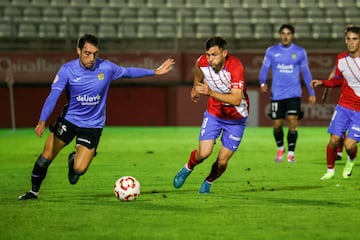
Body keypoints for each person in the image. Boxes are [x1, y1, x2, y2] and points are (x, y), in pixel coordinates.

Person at [18, 34, 175, 200]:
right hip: (69, 120)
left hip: (93, 125)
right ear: (78, 51)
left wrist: (154, 72)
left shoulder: (106, 68)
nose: (91, 58)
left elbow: (128, 72)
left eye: (95, 53)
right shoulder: (67, 70)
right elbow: (53, 96)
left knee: (79, 170)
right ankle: (33, 192)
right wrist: (42, 120)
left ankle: (74, 160)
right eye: (87, 53)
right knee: (46, 156)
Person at [173, 36, 249, 194]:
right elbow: (197, 66)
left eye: (214, 55)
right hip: (214, 113)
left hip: (236, 118)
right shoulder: (203, 62)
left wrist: (210, 92)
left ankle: (208, 181)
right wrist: (195, 86)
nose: (210, 59)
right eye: (208, 54)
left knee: (222, 162)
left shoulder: (235, 67)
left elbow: (236, 99)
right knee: (204, 153)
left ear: (224, 53)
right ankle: (188, 167)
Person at [259, 24, 316, 163]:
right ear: (280, 35)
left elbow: (306, 72)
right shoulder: (272, 51)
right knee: (277, 124)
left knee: (292, 121)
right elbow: (264, 68)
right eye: (283, 33)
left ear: (292, 35)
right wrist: (262, 82)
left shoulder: (300, 52)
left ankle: (291, 153)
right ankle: (280, 148)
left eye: (288, 33)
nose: (285, 36)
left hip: (293, 94)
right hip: (277, 94)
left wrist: (311, 92)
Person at [311, 24, 360, 180]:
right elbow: (337, 81)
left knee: (349, 145)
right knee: (334, 140)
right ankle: (330, 170)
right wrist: (323, 82)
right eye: (349, 39)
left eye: (355, 39)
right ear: (345, 41)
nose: (351, 42)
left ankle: (351, 159)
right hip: (344, 106)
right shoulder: (341, 59)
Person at [321, 68, 345, 161]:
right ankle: (338, 152)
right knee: (338, 129)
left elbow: (332, 76)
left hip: (351, 103)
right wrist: (326, 94)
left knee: (338, 128)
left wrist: (326, 96)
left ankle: (339, 152)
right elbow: (332, 78)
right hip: (347, 103)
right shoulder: (344, 61)